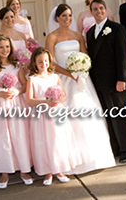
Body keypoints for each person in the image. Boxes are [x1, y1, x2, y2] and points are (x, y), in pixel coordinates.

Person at [45, 4, 115, 174]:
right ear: (57, 18)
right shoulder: (52, 37)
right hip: (63, 79)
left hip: (81, 80)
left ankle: (95, 158)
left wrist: (81, 69)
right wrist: (69, 73)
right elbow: (50, 63)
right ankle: (71, 160)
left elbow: (85, 57)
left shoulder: (78, 36)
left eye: (69, 15)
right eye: (63, 16)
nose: (67, 19)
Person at [0, 34, 32, 189]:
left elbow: (24, 85)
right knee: (2, 137)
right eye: (1, 47)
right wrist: (0, 94)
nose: (5, 50)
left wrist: (17, 92)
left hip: (16, 104)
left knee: (19, 135)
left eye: (7, 47)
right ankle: (4, 172)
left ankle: (24, 169)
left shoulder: (16, 66)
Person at [26, 47, 82, 185]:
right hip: (41, 115)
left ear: (49, 62)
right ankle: (48, 172)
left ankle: (59, 170)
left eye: (45, 61)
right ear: (34, 63)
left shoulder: (55, 77)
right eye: (40, 62)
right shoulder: (32, 79)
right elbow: (29, 100)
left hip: (56, 113)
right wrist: (45, 101)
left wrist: (57, 100)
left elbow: (64, 95)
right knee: (44, 142)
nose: (43, 64)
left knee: (57, 141)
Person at [86, 0, 126, 163]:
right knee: (108, 115)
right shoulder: (90, 32)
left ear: (105, 10)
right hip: (99, 82)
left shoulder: (117, 28)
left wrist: (122, 79)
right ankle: (115, 148)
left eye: (101, 8)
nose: (98, 12)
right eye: (95, 9)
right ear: (91, 12)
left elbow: (123, 56)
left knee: (120, 115)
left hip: (115, 81)